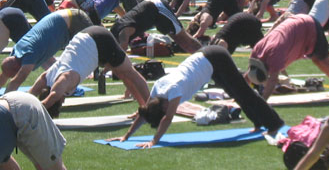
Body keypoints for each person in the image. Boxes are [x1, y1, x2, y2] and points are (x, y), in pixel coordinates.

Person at [110, 46, 285, 147]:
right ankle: (258, 123)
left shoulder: (173, 89)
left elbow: (168, 119)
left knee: (243, 91)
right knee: (235, 93)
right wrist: (126, 136)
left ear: (162, 108)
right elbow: (144, 113)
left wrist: (154, 141)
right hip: (208, 62)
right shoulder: (157, 90)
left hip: (216, 57)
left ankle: (274, 123)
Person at [30, 25, 150, 110]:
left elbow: (53, 96)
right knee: (122, 73)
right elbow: (30, 93)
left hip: (99, 41)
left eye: (60, 103)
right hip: (86, 36)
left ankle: (150, 110)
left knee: (130, 73)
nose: (63, 101)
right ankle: (142, 108)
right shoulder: (47, 78)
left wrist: (38, 111)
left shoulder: (64, 79)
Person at [0, 8, 93, 99]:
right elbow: (3, 76)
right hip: (64, 17)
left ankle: (101, 71)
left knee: (96, 46)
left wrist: (2, 107)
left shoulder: (29, 55)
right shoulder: (17, 50)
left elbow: (15, 81)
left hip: (75, 20)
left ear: (17, 69)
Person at [246, 11, 329, 99]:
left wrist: (263, 102)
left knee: (324, 60)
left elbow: (273, 80)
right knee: (317, 60)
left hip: (308, 25)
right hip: (298, 26)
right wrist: (240, 96)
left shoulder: (274, 54)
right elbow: (247, 75)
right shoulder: (257, 50)